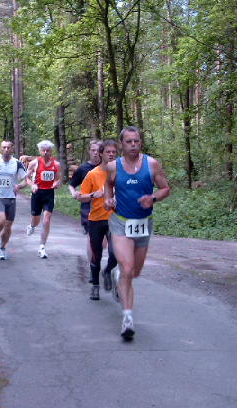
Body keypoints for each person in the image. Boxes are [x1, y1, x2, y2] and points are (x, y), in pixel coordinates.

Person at [103, 126, 170, 341]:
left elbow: (165, 188)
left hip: (143, 223)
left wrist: (153, 198)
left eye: (136, 141)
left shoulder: (152, 164)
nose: (133, 145)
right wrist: (108, 199)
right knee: (128, 267)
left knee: (135, 272)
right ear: (122, 144)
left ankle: (118, 276)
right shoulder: (113, 166)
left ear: (140, 143)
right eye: (129, 141)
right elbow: (108, 185)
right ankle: (127, 319)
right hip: (120, 222)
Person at [77, 140, 118, 300]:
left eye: (114, 152)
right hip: (96, 220)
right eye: (108, 152)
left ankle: (107, 271)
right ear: (101, 154)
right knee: (96, 255)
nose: (111, 155)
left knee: (116, 254)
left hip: (115, 220)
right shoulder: (92, 174)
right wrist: (94, 195)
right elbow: (81, 197)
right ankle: (95, 285)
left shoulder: (121, 173)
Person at [0, 140, 28, 260]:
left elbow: (25, 180)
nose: (6, 150)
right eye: (3, 147)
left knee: (8, 225)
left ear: (12, 149)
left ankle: (2, 248)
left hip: (11, 198)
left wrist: (19, 186)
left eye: (8, 147)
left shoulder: (17, 163)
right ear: (0, 149)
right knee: (2, 220)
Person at [68, 140, 102, 282]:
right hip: (88, 207)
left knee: (103, 242)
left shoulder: (108, 167)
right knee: (91, 238)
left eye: (98, 150)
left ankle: (96, 261)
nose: (95, 153)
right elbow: (71, 184)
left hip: (105, 208)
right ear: (89, 151)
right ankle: (92, 267)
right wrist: (74, 193)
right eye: (93, 150)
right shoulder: (83, 168)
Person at [25, 140, 62, 259]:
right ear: (40, 151)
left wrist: (57, 183)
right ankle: (31, 226)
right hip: (37, 193)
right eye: (43, 150)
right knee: (36, 220)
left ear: (51, 151)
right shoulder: (34, 163)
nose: (46, 152)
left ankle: (42, 247)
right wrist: (32, 185)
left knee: (46, 220)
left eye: (48, 150)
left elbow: (59, 179)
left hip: (49, 194)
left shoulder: (56, 164)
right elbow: (27, 178)